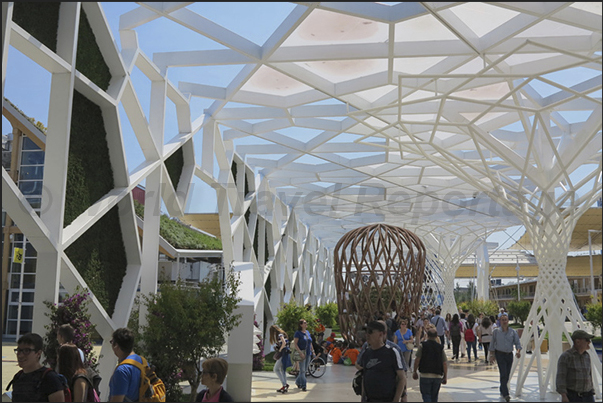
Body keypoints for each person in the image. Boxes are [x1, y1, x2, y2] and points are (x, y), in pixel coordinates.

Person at [8, 333, 66, 402]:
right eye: (19, 350)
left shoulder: (50, 378)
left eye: (26, 351)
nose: (20, 355)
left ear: (38, 353)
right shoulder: (18, 377)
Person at [358, 321, 406, 402]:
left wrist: (397, 399)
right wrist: (363, 398)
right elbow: (364, 376)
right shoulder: (366, 353)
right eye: (366, 332)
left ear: (380, 334)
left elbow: (402, 378)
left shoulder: (392, 352)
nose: (367, 335)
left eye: (370, 332)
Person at [489, 314, 521, 402]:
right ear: (500, 321)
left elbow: (517, 343)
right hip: (500, 355)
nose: (504, 321)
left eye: (506, 320)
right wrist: (491, 356)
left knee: (507, 374)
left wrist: (518, 351)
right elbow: (492, 344)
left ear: (508, 321)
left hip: (509, 355)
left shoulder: (512, 332)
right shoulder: (496, 332)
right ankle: (506, 394)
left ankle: (502, 388)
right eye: (502, 320)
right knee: (503, 373)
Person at [556, 329, 595, 403]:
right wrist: (564, 396)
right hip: (573, 397)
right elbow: (561, 378)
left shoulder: (587, 356)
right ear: (578, 341)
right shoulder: (566, 356)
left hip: (588, 396)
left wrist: (592, 391)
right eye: (587, 340)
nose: (589, 342)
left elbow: (589, 375)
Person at [109, 327, 146, 402]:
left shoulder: (122, 371)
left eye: (112, 342)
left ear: (116, 346)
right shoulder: (142, 361)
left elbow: (117, 400)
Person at [413, 328, 448, 402]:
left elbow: (417, 359)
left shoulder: (423, 346)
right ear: (436, 336)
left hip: (425, 375)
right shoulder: (440, 348)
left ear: (427, 336)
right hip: (437, 376)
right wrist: (445, 376)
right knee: (434, 397)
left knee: (426, 396)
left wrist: (415, 371)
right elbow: (444, 363)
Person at [293, 319, 315, 392]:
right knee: (302, 370)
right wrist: (300, 352)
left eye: (306, 323)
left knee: (304, 370)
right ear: (301, 325)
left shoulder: (307, 332)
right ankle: (304, 385)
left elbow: (310, 342)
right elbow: (295, 344)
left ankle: (297, 381)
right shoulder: (298, 333)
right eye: (304, 323)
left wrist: (313, 350)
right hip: (301, 353)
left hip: (308, 353)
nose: (306, 324)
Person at [269, 324, 291, 394]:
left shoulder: (279, 335)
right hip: (286, 353)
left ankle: (284, 385)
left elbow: (283, 343)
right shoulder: (282, 333)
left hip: (283, 354)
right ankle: (285, 385)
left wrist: (280, 349)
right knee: (282, 370)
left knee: (276, 369)